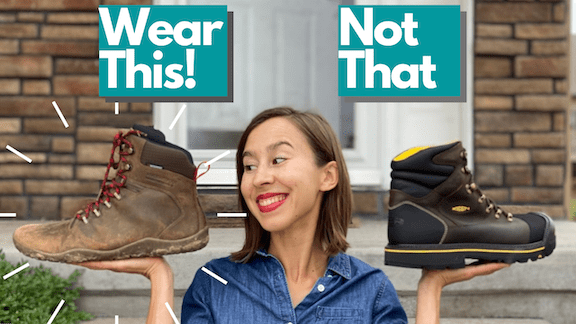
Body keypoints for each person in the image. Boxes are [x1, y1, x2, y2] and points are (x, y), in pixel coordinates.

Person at [77, 107, 509, 324]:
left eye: (278, 160)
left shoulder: (371, 293)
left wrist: (431, 289)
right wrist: (160, 278)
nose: (259, 178)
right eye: (248, 166)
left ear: (328, 175)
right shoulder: (214, 287)